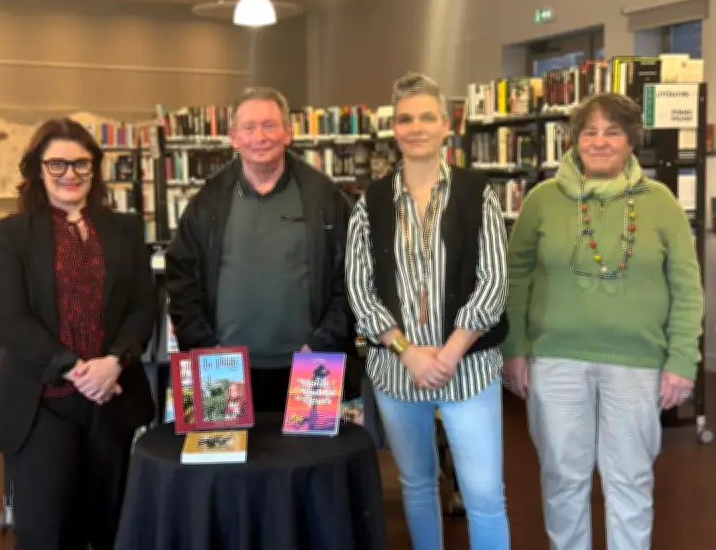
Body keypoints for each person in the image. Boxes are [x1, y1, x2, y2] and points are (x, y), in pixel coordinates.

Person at [503, 92, 704, 550]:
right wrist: (514, 349)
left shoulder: (661, 203)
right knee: (562, 479)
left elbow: (687, 288)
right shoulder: (541, 200)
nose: (599, 141)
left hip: (637, 362)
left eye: (613, 131)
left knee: (630, 481)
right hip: (555, 360)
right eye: (589, 132)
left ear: (631, 140)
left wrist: (681, 360)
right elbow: (514, 281)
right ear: (574, 141)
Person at [345, 72, 511, 550]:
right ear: (393, 129)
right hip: (397, 371)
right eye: (405, 119)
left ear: (446, 126)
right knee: (417, 485)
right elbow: (359, 288)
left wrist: (449, 353)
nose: (415, 128)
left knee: (484, 495)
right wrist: (408, 352)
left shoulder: (477, 194)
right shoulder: (371, 202)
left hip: (469, 367)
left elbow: (494, 282)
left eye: (426, 117)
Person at [0, 118, 157, 550]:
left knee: (110, 524)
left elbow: (143, 306)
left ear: (94, 168)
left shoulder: (125, 230)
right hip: (41, 402)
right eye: (57, 163)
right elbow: (9, 317)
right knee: (47, 530)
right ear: (37, 169)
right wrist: (76, 369)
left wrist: (114, 362)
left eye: (81, 163)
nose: (70, 174)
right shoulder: (11, 235)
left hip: (111, 398)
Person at [164, 86, 357, 411]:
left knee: (308, 445)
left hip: (314, 364)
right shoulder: (207, 200)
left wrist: (324, 342)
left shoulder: (325, 197)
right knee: (222, 444)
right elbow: (180, 276)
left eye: (270, 125)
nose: (260, 137)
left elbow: (353, 276)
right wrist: (203, 344)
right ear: (233, 137)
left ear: (288, 133)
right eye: (249, 127)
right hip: (218, 367)